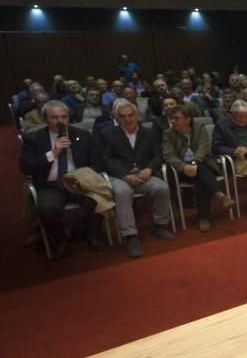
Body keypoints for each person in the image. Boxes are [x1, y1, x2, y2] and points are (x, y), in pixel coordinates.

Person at [19, 100, 105, 259]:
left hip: (78, 181)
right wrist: (53, 153)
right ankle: (60, 240)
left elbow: (96, 161)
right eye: (54, 117)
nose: (60, 121)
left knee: (98, 199)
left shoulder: (82, 135)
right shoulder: (33, 138)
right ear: (46, 119)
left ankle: (92, 234)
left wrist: (86, 177)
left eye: (63, 117)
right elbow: (26, 167)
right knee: (46, 209)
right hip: (50, 185)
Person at [100, 99, 174, 258]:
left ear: (138, 115)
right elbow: (106, 160)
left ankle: (160, 225)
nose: (128, 119)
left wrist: (149, 168)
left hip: (143, 175)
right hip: (120, 176)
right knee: (122, 193)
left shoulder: (150, 133)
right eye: (123, 116)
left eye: (131, 115)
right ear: (117, 118)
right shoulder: (107, 134)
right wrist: (125, 175)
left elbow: (158, 155)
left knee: (162, 188)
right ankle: (130, 236)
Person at [161, 103, 234, 232]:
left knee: (199, 175)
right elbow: (169, 155)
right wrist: (184, 167)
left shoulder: (199, 128)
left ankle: (204, 217)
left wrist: (194, 163)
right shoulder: (168, 134)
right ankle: (219, 195)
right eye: (172, 118)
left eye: (177, 118)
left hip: (202, 164)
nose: (173, 121)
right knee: (200, 176)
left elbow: (203, 147)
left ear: (188, 119)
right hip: (181, 170)